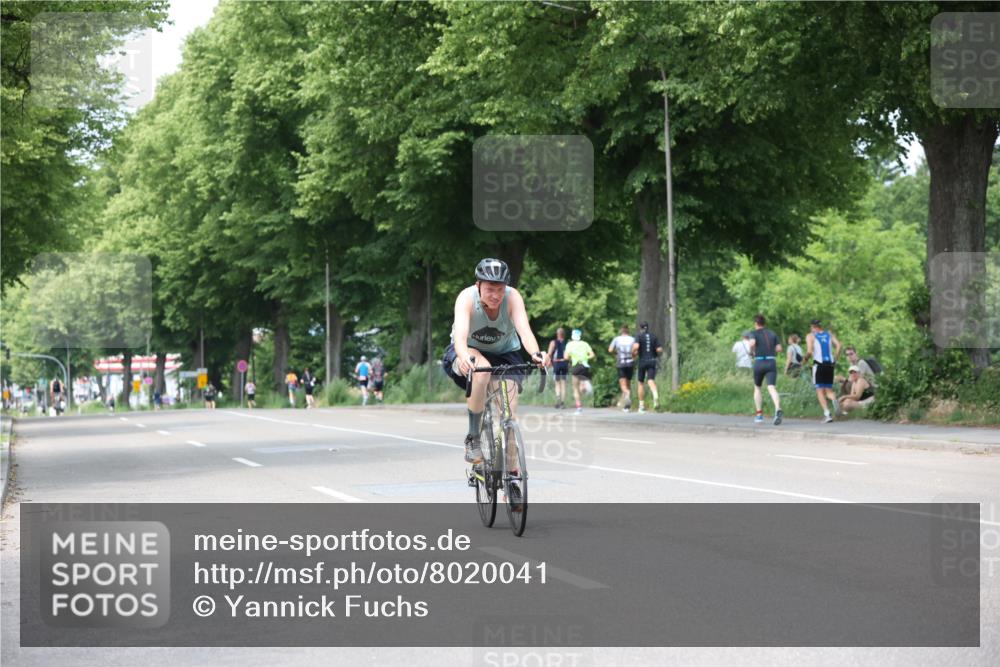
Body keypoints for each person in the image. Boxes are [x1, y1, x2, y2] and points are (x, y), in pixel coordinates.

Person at [441, 258, 547, 466]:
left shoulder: (513, 297)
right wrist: (464, 357)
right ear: (478, 285)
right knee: (482, 371)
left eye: (500, 289)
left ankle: (513, 476)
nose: (496, 295)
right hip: (469, 350)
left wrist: (536, 353)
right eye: (490, 289)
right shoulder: (466, 298)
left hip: (505, 354)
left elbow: (525, 332)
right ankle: (473, 437)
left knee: (509, 415)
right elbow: (460, 339)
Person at [747, 314, 783, 425]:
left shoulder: (753, 333)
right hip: (771, 362)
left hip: (759, 362)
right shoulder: (772, 333)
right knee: (771, 387)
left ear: (755, 323)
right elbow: (779, 349)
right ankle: (777, 408)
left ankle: (759, 415)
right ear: (764, 323)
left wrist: (751, 352)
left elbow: (752, 343)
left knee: (757, 388)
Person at [805, 319, 842, 423]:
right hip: (830, 364)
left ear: (813, 327)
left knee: (820, 391)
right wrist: (835, 358)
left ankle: (827, 414)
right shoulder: (829, 334)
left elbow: (809, 351)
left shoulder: (810, 336)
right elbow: (839, 345)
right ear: (820, 326)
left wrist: (805, 360)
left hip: (818, 364)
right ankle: (834, 399)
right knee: (829, 390)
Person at [632, 322, 662, 413]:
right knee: (650, 380)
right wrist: (654, 353)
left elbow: (636, 346)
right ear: (647, 328)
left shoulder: (639, 336)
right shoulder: (653, 336)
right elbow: (659, 349)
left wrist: (633, 353)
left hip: (642, 361)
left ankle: (641, 406)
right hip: (652, 361)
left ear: (640, 328)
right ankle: (655, 395)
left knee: (640, 383)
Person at [565, 328, 596, 414]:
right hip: (585, 366)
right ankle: (584, 384)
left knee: (575, 388)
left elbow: (566, 357)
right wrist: (585, 357)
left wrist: (572, 356)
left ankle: (579, 408)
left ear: (572, 336)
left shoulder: (569, 344)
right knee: (581, 385)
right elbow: (592, 355)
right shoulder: (585, 344)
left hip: (576, 366)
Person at [608, 325, 636, 412]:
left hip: (621, 363)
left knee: (623, 384)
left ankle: (626, 395)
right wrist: (633, 356)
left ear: (621, 331)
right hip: (630, 363)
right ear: (628, 331)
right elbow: (636, 350)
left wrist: (616, 353)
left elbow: (610, 350)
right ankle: (626, 406)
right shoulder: (633, 339)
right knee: (628, 383)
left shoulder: (617, 339)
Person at [546, 327, 569, 409]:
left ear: (557, 334)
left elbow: (549, 353)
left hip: (556, 363)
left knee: (557, 383)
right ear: (564, 334)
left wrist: (548, 362)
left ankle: (558, 399)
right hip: (565, 364)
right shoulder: (567, 343)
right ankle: (562, 402)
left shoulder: (553, 342)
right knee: (563, 383)